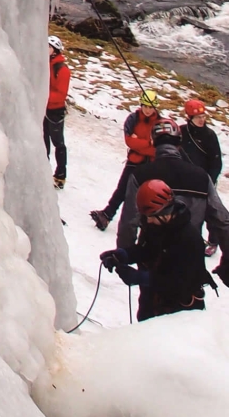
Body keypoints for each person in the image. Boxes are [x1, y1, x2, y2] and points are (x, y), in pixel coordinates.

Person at [131, 117, 229, 278]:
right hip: (191, 256)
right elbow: (222, 220)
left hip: (151, 256)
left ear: (154, 143)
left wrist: (125, 254)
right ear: (179, 143)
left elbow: (130, 220)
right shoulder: (201, 177)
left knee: (153, 299)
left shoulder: (141, 174)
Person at [103, 179, 212, 320]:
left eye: (152, 217)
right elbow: (149, 250)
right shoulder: (158, 226)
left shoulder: (189, 239)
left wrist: (141, 277)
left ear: (166, 212)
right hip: (154, 304)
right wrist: (124, 255)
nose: (148, 221)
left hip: (179, 314)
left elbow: (182, 283)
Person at [90, 90, 159, 233]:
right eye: (145, 106)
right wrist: (148, 143)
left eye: (150, 107)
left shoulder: (159, 123)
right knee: (122, 189)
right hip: (134, 162)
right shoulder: (133, 119)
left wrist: (139, 143)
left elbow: (156, 148)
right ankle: (107, 215)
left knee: (147, 195)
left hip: (151, 164)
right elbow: (130, 142)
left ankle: (145, 222)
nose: (147, 110)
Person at [43, 35, 70, 189]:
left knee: (58, 143)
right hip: (45, 108)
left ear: (55, 50)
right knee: (43, 140)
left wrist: (43, 96)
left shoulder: (62, 70)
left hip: (55, 111)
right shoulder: (47, 65)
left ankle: (60, 175)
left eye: (49, 47)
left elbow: (61, 94)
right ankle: (44, 168)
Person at [182, 95, 223, 183]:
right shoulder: (182, 131)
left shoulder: (210, 135)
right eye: (197, 117)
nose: (201, 120)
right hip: (182, 177)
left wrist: (210, 181)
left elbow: (216, 163)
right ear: (189, 117)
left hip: (203, 180)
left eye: (203, 116)